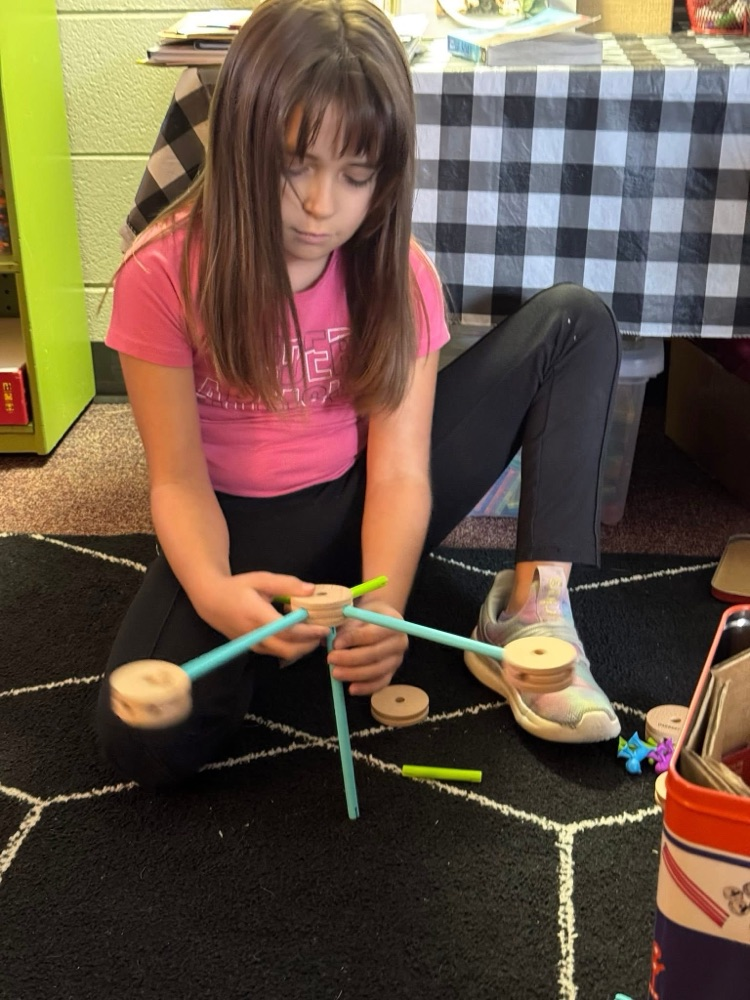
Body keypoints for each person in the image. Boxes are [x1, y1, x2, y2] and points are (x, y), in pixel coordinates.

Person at [96, 0, 622, 789]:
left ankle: (531, 603)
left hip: (367, 496)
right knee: (139, 745)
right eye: (295, 165)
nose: (321, 205)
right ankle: (286, 629)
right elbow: (176, 479)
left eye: (356, 175)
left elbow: (404, 470)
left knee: (576, 322)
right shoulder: (161, 273)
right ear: (241, 147)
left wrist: (393, 606)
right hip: (240, 531)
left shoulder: (396, 270)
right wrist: (213, 590)